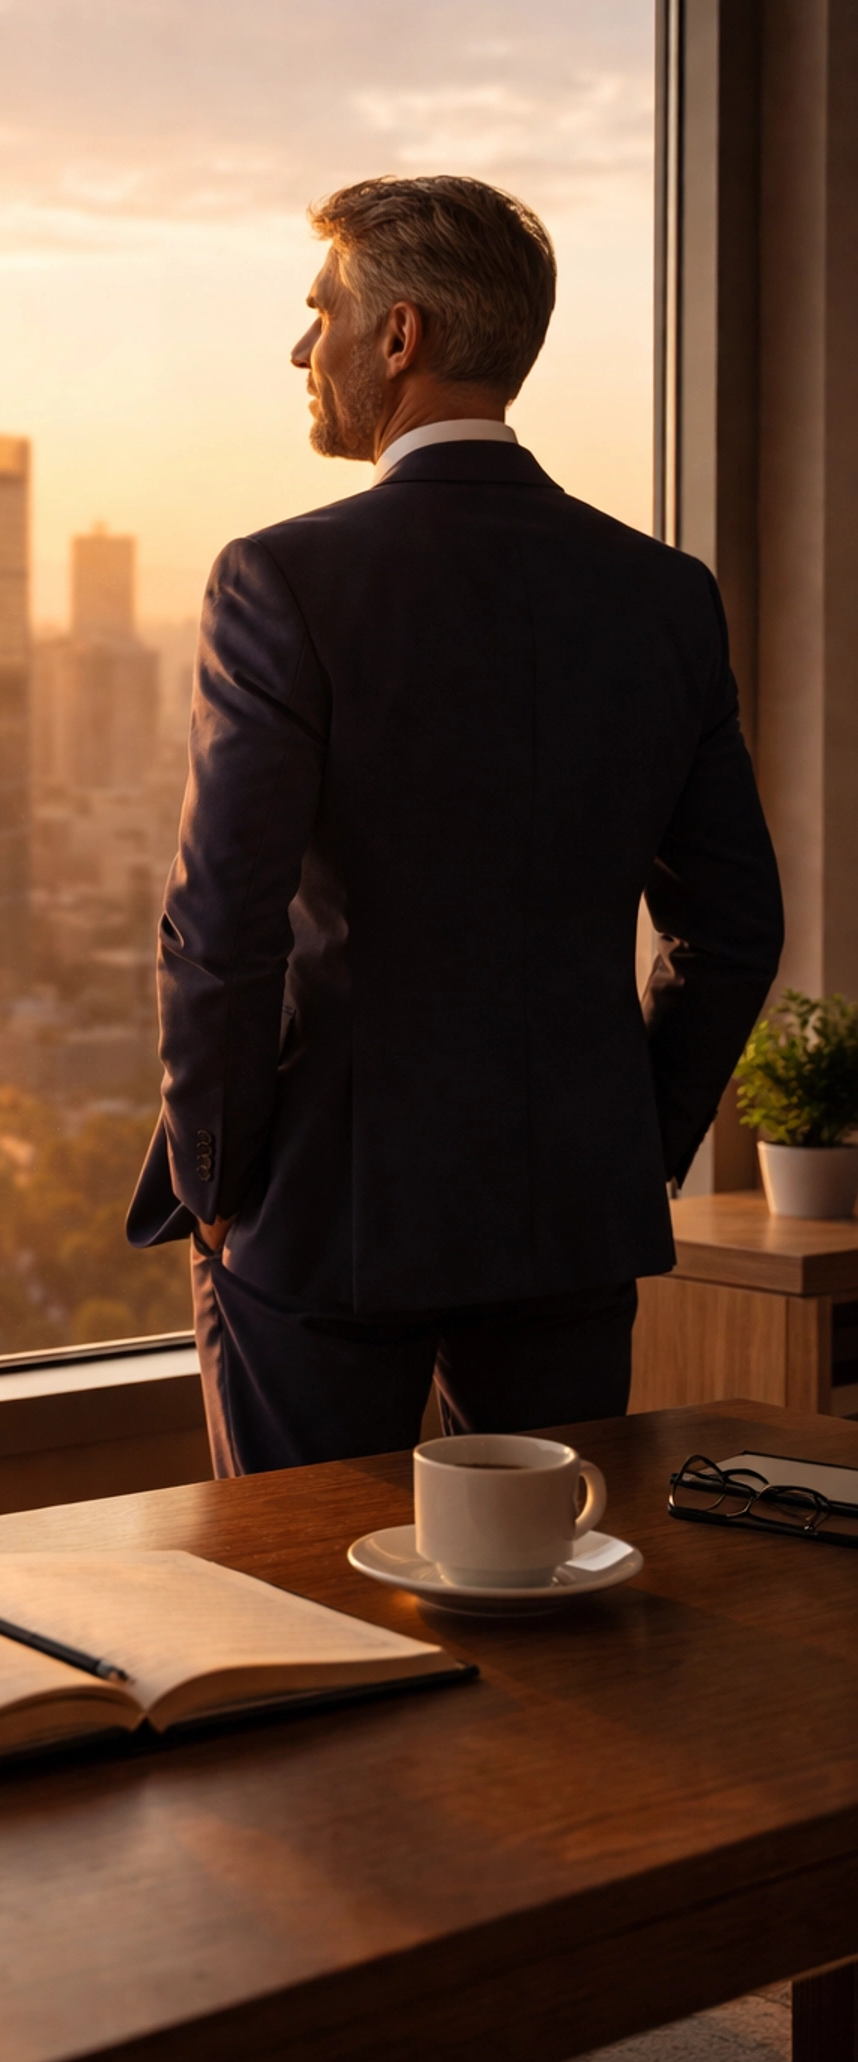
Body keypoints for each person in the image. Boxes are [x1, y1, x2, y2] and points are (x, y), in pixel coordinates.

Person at [126, 174, 784, 1473]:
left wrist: (216, 1187)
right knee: (557, 1630)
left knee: (305, 1617)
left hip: (325, 1216)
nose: (302, 348)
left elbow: (223, 931)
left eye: (321, 313)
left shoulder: (283, 581)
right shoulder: (663, 598)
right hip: (569, 1220)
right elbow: (737, 928)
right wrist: (627, 1148)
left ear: (400, 336)